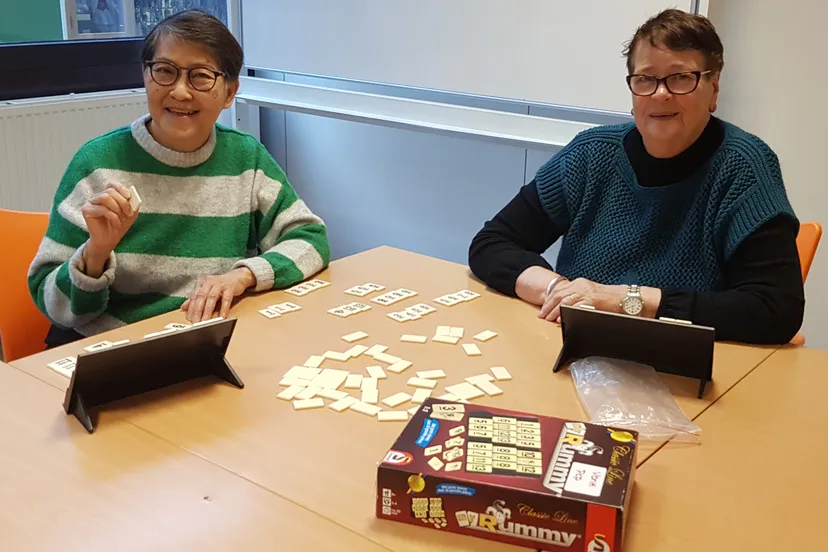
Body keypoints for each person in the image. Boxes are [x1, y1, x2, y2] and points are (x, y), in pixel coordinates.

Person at [468, 9, 804, 345]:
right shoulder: (590, 154)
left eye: (680, 77)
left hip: (680, 362)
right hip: (576, 347)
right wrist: (559, 291)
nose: (660, 94)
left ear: (713, 89)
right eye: (646, 79)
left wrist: (625, 301)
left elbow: (775, 309)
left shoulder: (744, 166)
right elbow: (492, 244)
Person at [28, 9, 330, 347]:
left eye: (200, 76)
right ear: (146, 76)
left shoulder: (247, 159)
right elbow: (52, 303)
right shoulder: (98, 165)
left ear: (230, 93)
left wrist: (243, 275)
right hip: (114, 348)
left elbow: (310, 240)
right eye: (165, 72)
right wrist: (96, 253)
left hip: (204, 341)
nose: (180, 92)